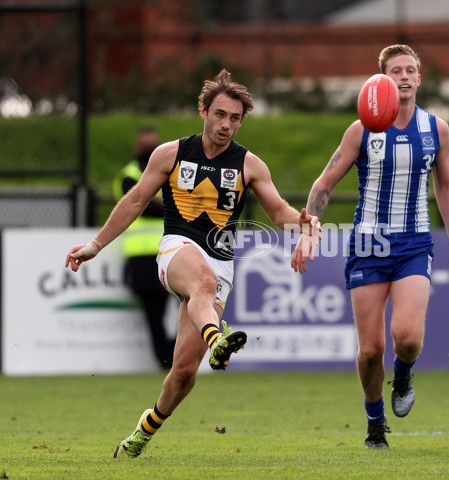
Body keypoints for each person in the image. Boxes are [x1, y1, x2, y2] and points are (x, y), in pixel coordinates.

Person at [65, 69, 320, 459]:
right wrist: (96, 244)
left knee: (183, 373)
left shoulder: (250, 165)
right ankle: (218, 338)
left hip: (222, 265)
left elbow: (279, 210)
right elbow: (134, 202)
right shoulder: (170, 154)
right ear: (203, 110)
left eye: (234, 118)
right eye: (220, 114)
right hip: (176, 249)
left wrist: (304, 225)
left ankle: (141, 432)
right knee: (200, 282)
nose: (226, 125)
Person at [291, 45, 449, 449]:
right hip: (368, 244)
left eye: (410, 70)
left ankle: (404, 373)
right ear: (382, 80)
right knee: (371, 350)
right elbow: (324, 183)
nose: (404, 77)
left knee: (406, 336)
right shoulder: (361, 130)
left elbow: (445, 184)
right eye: (395, 71)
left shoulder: (436, 129)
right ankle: (375, 423)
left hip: (414, 242)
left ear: (419, 79)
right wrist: (309, 225)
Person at [114, 126, 174, 369]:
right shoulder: (128, 174)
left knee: (192, 303)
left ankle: (172, 354)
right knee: (154, 313)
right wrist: (164, 202)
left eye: (153, 147)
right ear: (137, 148)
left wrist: (158, 200)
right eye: (146, 147)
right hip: (142, 256)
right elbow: (146, 206)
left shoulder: (170, 172)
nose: (149, 152)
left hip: (171, 250)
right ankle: (166, 357)